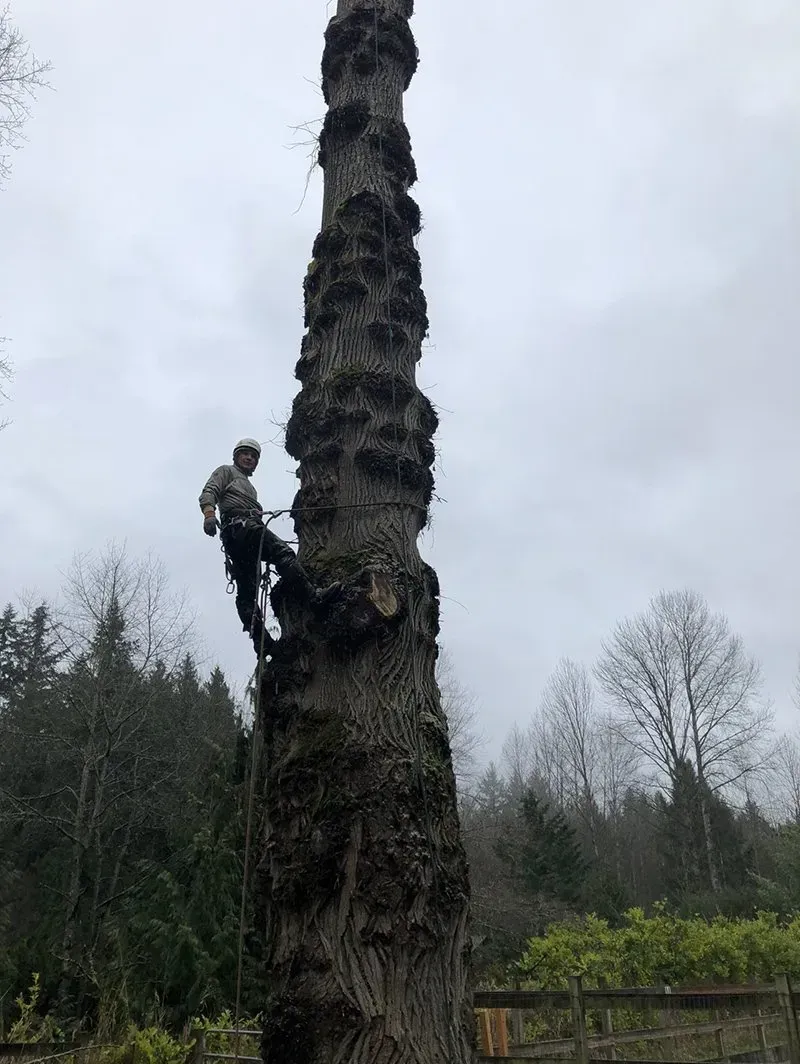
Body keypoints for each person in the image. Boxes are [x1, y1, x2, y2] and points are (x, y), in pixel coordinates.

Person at [199, 437, 337, 656]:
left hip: (241, 535)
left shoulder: (249, 488)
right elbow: (209, 491)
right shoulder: (226, 471)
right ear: (236, 456)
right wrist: (209, 515)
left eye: (253, 456)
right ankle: (313, 597)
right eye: (245, 454)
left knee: (248, 590)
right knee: (283, 553)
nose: (249, 458)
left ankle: (261, 641)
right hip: (242, 528)